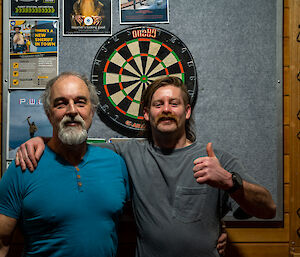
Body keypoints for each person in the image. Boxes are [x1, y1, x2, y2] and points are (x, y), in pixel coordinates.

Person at [15, 76, 276, 256]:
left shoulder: (216, 159)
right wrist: (42, 138)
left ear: (186, 112)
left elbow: (268, 209)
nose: (166, 110)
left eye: (174, 103)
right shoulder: (126, 153)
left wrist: (231, 182)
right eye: (158, 104)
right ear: (146, 114)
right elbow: (76, 141)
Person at [0, 72, 129, 256]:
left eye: (80, 102)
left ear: (91, 110)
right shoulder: (24, 166)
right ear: (48, 113)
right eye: (61, 104)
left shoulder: (115, 163)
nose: (72, 111)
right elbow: (1, 243)